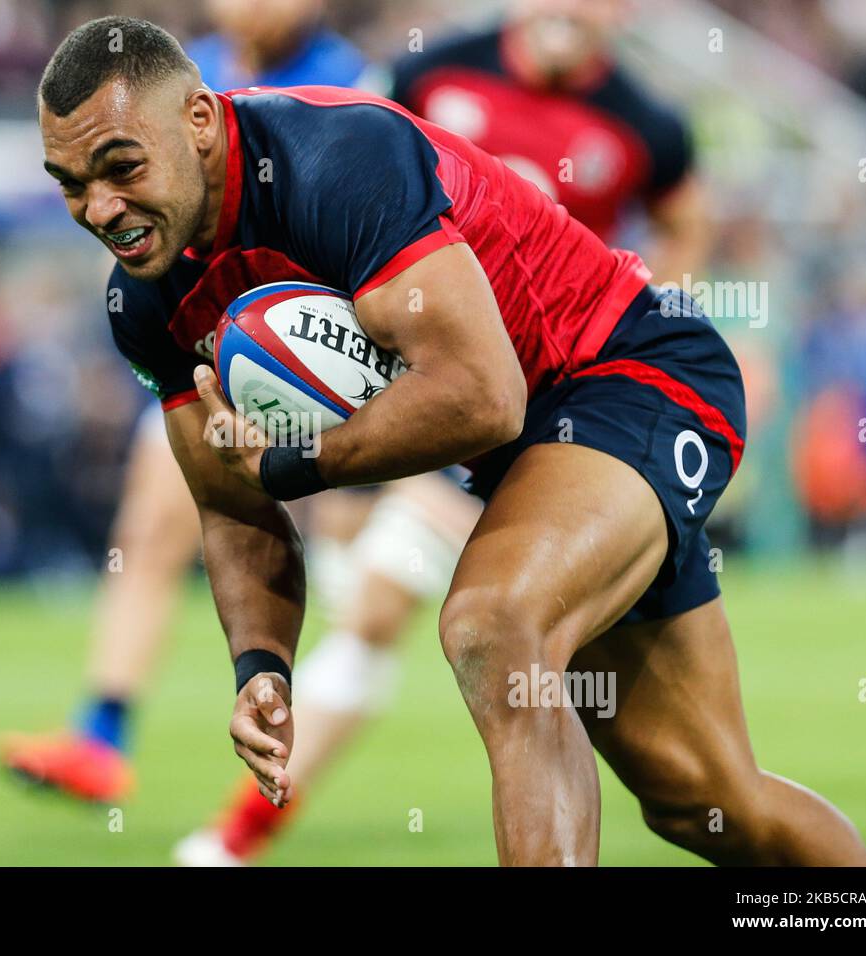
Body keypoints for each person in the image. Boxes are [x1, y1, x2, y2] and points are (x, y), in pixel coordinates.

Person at [35, 16, 866, 865]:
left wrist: (299, 462)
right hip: (526, 457)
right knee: (706, 802)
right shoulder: (145, 300)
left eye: (122, 167)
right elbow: (230, 506)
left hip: (631, 373)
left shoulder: (333, 157)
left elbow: (483, 395)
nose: (100, 209)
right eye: (70, 183)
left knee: (493, 621)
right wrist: (262, 665)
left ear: (201, 124)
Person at [178, 0, 718, 865]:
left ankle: (230, 841)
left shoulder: (646, 122)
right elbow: (353, 176)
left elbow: (686, 221)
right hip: (436, 389)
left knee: (696, 792)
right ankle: (233, 837)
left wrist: (660, 293)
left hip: (569, 391)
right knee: (417, 616)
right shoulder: (437, 70)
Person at [0, 0, 366, 803]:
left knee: (370, 577)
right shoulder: (166, 74)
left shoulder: (347, 80)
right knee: (156, 525)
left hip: (331, 367)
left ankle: (327, 694)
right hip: (207, 357)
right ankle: (103, 732)